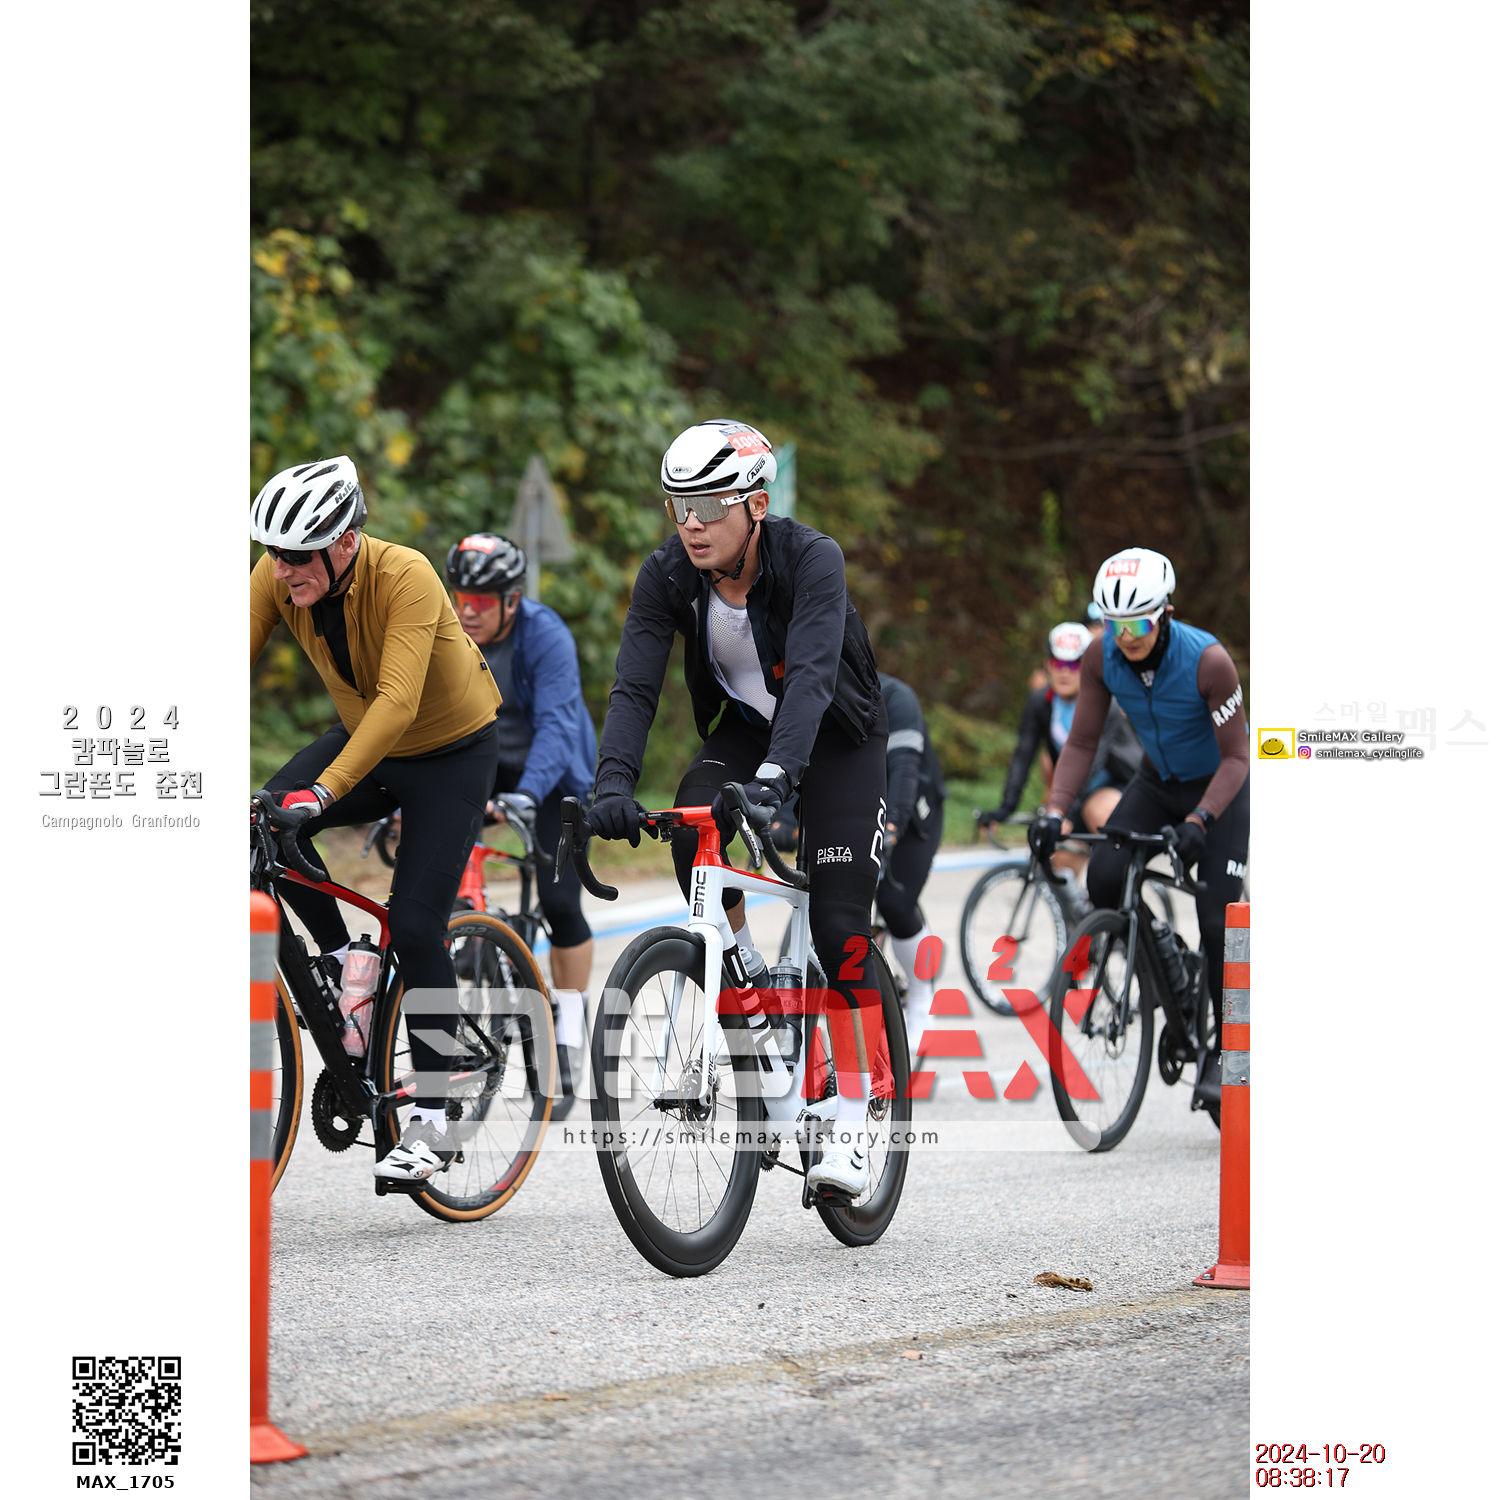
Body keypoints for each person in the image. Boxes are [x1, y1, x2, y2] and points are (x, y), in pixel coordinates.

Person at [586, 419, 889, 1197]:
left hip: (838, 738)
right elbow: (634, 688)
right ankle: (747, 976)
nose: (691, 523)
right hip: (749, 731)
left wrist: (781, 776)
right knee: (692, 825)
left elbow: (813, 676)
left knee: (839, 929)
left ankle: (855, 1114)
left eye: (710, 505)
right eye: (678, 505)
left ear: (755, 505)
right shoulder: (666, 574)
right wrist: (610, 787)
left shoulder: (812, 558)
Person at [251, 455, 502, 1184]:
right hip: (369, 740)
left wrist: (323, 793)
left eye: (299, 555)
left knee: (416, 925)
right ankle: (341, 968)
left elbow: (397, 700)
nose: (283, 569)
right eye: (274, 553)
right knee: (263, 825)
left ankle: (436, 1113)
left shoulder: (406, 575)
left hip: (451, 753)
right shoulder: (277, 576)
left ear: (345, 542)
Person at [1031, 547, 1249, 1110]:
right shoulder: (1100, 656)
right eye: (1114, 624)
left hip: (1218, 788)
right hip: (1156, 783)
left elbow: (1237, 757)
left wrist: (1201, 820)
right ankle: (1170, 965)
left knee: (1218, 919)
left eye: (1139, 625)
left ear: (1166, 614)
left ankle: (1227, 1049)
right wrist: (1055, 811)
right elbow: (1082, 741)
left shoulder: (1209, 662)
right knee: (1104, 877)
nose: (1126, 637)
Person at [445, 532, 598, 1108]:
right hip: (488, 764)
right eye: (461, 598)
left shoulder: (545, 634)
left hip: (554, 776)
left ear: (512, 600)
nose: (468, 611)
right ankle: (478, 952)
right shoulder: (448, 633)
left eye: (482, 602)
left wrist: (528, 795)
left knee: (559, 902)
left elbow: (557, 725)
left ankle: (569, 1025)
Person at [979, 621, 1141, 898]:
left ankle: (1121, 898)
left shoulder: (1107, 704)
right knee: (1060, 862)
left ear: (1088, 667)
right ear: (1047, 665)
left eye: (1074, 665)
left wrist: (1061, 811)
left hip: (1116, 784)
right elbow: (1023, 755)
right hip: (1077, 792)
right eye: (1058, 663)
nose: (1065, 672)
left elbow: (1091, 763)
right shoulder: (1039, 702)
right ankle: (1084, 918)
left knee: (1097, 812)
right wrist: (1005, 808)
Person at [875, 673, 947, 1048]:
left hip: (912, 813)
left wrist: (892, 827)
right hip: (857, 810)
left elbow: (904, 769)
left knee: (894, 902)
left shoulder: (897, 697)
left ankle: (921, 994)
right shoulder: (814, 690)